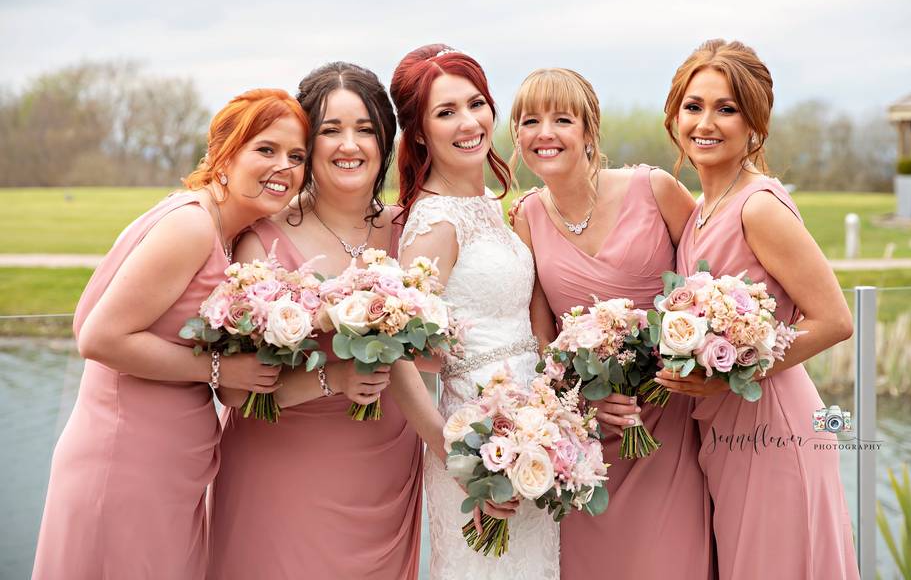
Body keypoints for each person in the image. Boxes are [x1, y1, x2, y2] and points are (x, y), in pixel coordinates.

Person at [32, 89, 308, 579]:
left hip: (168, 467)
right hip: (127, 464)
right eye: (265, 149)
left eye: (296, 156)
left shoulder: (225, 233)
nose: (283, 166)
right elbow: (98, 338)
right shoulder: (191, 227)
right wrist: (223, 367)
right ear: (225, 153)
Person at [207, 62, 423, 580]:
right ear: (309, 144)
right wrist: (336, 379)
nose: (350, 145)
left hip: (385, 471)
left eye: (365, 129)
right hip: (281, 474)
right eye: (330, 130)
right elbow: (235, 391)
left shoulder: (414, 229)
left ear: (385, 140)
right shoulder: (262, 240)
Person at [656, 39, 859, 579]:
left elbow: (835, 320)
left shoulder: (759, 206)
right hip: (725, 434)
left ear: (754, 124)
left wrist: (735, 373)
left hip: (774, 426)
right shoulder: (700, 208)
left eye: (726, 109)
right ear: (675, 114)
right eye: (693, 106)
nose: (706, 122)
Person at [509, 67, 714, 579]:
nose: (545, 133)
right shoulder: (528, 216)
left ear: (588, 130)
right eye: (530, 121)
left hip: (670, 422)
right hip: (589, 438)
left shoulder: (656, 189)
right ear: (516, 136)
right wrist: (584, 401)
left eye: (562, 119)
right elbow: (541, 338)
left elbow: (706, 290)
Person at [387, 44, 560, 579]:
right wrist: (458, 458)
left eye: (476, 103)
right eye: (446, 112)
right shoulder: (435, 224)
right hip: (477, 444)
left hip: (533, 434)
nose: (469, 122)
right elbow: (396, 356)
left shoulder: (489, 206)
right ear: (418, 131)